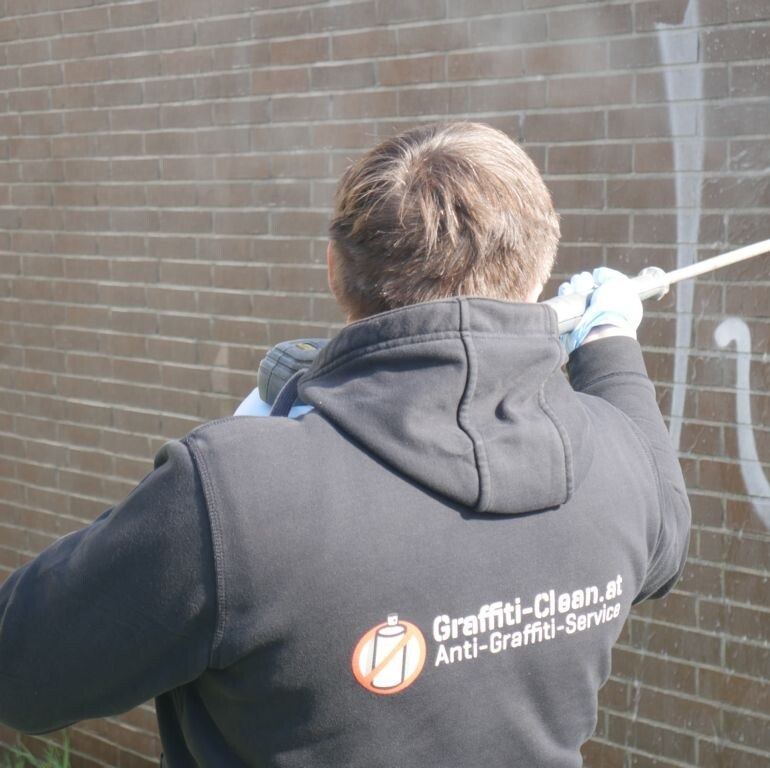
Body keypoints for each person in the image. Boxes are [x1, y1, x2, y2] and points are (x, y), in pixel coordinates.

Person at [0, 122, 690, 767]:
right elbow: (664, 538)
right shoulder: (619, 461)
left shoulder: (237, 493)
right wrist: (609, 348)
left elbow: (23, 675)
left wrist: (221, 478)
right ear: (540, 271)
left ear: (335, 268)